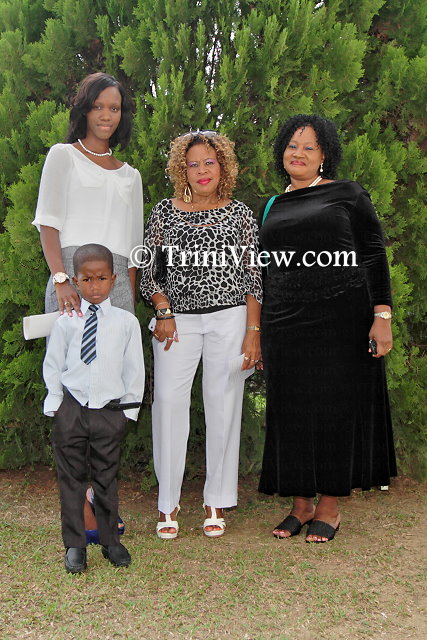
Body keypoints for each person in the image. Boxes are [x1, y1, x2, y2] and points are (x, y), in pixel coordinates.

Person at [258, 114, 396, 543]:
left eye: (309, 147)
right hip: (284, 322)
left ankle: (330, 507)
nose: (297, 154)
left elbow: (372, 253)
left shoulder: (347, 194)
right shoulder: (271, 205)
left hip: (340, 320)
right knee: (291, 410)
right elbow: (263, 269)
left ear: (324, 156)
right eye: (291, 145)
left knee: (335, 409)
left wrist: (382, 315)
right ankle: (300, 504)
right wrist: (258, 330)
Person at [32, 72, 143, 541]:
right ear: (84, 109)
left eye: (114, 108)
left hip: (116, 286)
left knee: (109, 400)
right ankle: (80, 507)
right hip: (73, 280)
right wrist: (62, 280)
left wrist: (128, 305)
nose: (106, 115)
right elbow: (48, 223)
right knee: (73, 398)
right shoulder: (63, 156)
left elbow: (134, 251)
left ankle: (101, 498)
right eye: (98, 106)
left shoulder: (132, 175)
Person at [140, 131, 262, 539]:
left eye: (210, 162)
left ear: (223, 167)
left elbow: (253, 277)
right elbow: (149, 274)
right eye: (193, 164)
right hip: (176, 322)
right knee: (168, 403)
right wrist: (163, 311)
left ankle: (216, 500)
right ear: (182, 170)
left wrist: (253, 332)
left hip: (230, 319)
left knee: (223, 404)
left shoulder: (240, 214)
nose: (202, 170)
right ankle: (168, 502)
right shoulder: (164, 212)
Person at [43, 244, 145, 573]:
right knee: (71, 479)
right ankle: (74, 545)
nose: (95, 286)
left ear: (114, 279)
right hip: (72, 408)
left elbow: (134, 368)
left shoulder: (126, 323)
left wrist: (127, 412)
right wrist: (56, 404)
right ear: (75, 281)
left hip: (109, 411)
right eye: (87, 279)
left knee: (106, 478)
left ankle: (110, 541)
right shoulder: (66, 322)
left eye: (102, 278)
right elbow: (53, 364)